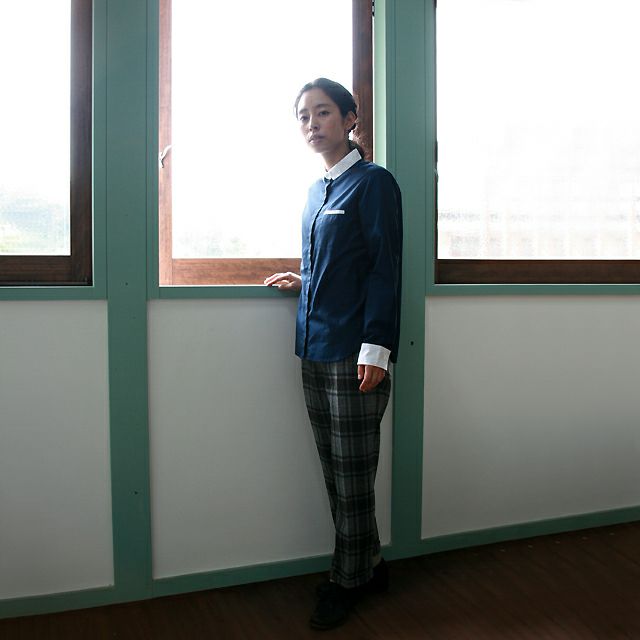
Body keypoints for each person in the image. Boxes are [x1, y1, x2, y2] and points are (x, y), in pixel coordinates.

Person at [264, 77, 402, 630]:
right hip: (314, 350)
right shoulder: (315, 191)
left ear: (350, 120)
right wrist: (305, 281)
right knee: (336, 471)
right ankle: (370, 565)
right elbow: (339, 264)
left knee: (352, 475)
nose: (311, 124)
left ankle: (347, 581)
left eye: (322, 112)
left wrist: (377, 348)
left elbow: (384, 269)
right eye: (303, 116)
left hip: (356, 354)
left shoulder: (373, 183)